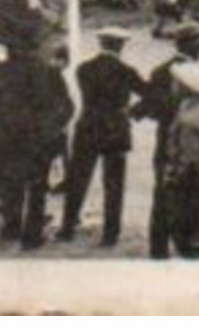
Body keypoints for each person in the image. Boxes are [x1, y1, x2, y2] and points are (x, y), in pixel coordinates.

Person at [62, 27, 145, 246]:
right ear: (121, 45)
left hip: (88, 125)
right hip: (115, 128)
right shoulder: (127, 70)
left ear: (101, 43)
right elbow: (150, 94)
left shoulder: (84, 69)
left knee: (77, 179)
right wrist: (133, 111)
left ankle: (67, 227)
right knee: (114, 184)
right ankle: (110, 234)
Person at [0, 28, 75, 249]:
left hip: (10, 136)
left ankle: (11, 228)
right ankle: (32, 235)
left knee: (12, 184)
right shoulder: (49, 72)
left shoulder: (0, 72)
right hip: (39, 137)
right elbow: (66, 106)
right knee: (37, 186)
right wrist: (52, 128)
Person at [133, 20, 199, 259]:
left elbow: (151, 107)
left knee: (165, 193)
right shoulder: (193, 73)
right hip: (183, 141)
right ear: (188, 44)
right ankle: (186, 243)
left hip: (167, 140)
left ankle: (160, 247)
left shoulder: (160, 71)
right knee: (186, 192)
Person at [165, 61, 199, 257]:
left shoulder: (188, 118)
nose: (172, 87)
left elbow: (189, 158)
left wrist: (175, 178)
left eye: (175, 83)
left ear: (183, 88)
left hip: (189, 184)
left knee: (185, 237)